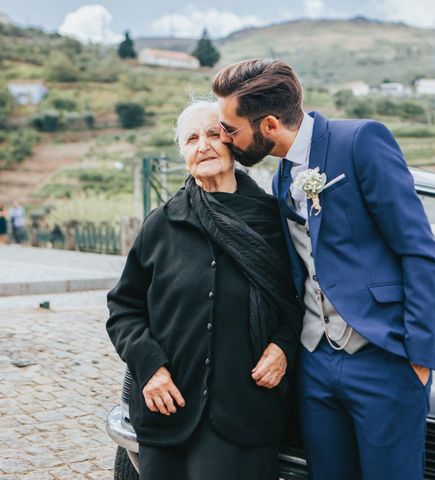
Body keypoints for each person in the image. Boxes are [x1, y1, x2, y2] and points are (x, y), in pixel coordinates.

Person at [213, 59, 435, 480]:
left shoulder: (360, 142)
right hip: (317, 362)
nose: (226, 139)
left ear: (268, 125)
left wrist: (419, 358)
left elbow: (418, 249)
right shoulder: (282, 175)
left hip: (384, 359)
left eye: (230, 129)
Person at [106, 100, 301, 480]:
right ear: (184, 155)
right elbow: (123, 308)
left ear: (235, 145)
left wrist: (282, 347)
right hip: (169, 410)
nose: (203, 145)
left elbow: (299, 302)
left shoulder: (272, 221)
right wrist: (151, 367)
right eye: (192, 139)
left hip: (244, 414)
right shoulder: (161, 225)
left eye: (214, 134)